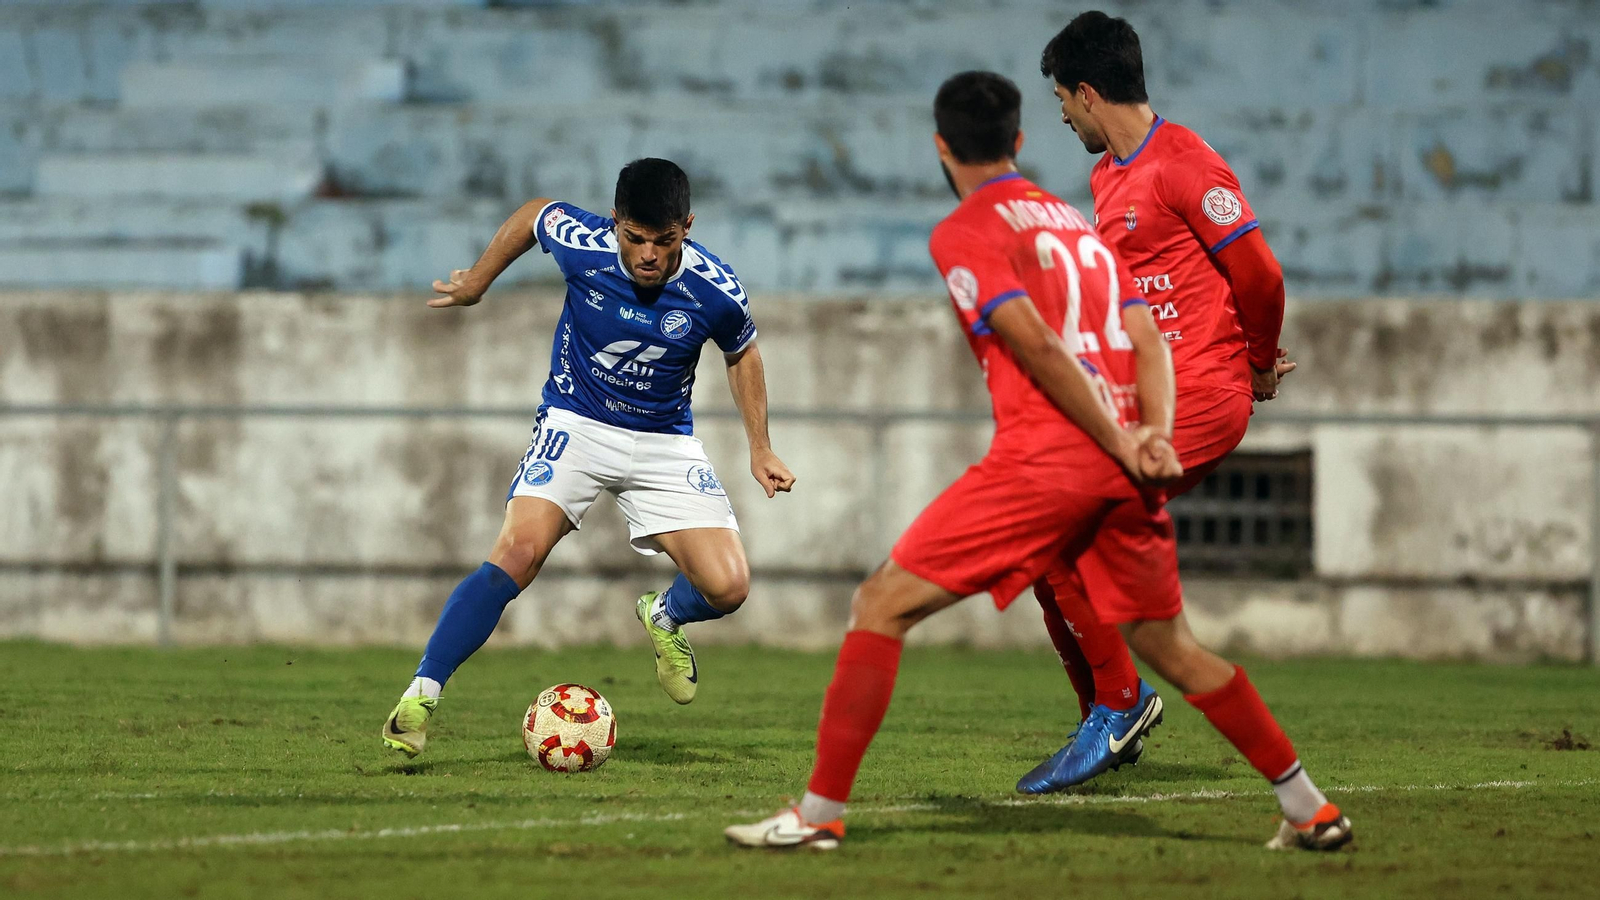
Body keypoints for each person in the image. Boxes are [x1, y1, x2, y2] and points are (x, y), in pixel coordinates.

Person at [725, 70, 1184, 851]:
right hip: (1117, 441)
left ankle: (822, 813)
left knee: (880, 604)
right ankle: (1297, 795)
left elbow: (1035, 344)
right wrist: (1147, 434)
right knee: (1146, 625)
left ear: (941, 145)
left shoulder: (967, 229)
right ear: (1019, 140)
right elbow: (1143, 336)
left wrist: (1110, 436)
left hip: (1051, 457)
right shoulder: (1070, 215)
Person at [1012, 13, 1353, 851]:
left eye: (1063, 99)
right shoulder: (1108, 178)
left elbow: (1259, 270)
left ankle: (1119, 707)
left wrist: (1261, 361)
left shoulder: (1183, 163)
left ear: (1088, 93)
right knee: (1048, 549)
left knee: (1056, 533)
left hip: (1198, 398)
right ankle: (1115, 710)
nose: (1062, 117)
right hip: (1142, 401)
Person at [381, 158, 795, 758]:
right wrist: (477, 280)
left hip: (663, 441)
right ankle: (421, 695)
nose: (648, 254)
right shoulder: (585, 244)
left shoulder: (716, 289)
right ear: (615, 222)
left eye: (665, 240)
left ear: (688, 227)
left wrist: (759, 445)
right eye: (635, 238)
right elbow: (533, 216)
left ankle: (665, 616)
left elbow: (743, 353)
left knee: (728, 587)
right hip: (577, 422)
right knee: (517, 553)